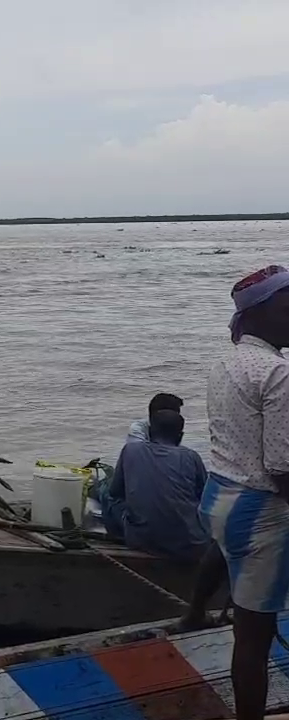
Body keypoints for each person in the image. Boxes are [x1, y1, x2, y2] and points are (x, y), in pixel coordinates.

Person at [180, 265, 289, 720]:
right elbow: (282, 468)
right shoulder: (277, 372)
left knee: (223, 550)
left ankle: (192, 614)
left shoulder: (226, 361)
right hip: (260, 511)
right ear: (264, 313)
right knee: (253, 637)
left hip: (219, 497)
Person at [95, 410, 209, 561]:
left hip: (142, 540)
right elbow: (205, 498)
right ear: (180, 436)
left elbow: (115, 492)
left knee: (106, 494)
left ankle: (116, 535)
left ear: (148, 432)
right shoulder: (191, 456)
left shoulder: (131, 450)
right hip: (189, 542)